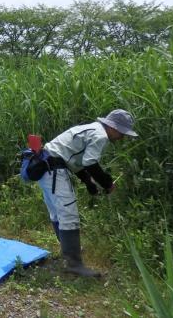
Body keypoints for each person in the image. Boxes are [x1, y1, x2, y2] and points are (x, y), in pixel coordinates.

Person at [38, 109, 138, 277]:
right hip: (54, 169)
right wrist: (107, 183)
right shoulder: (101, 136)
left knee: (57, 213)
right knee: (68, 215)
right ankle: (73, 265)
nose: (122, 137)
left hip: (45, 166)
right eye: (122, 133)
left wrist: (88, 182)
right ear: (113, 127)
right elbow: (90, 163)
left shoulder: (92, 128)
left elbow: (74, 159)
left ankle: (68, 255)